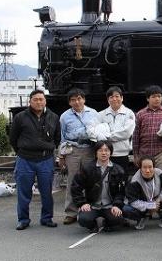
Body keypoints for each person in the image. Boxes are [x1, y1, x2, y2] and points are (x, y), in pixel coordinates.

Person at [9, 89, 60, 230]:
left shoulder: (53, 117)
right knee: (24, 192)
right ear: (30, 101)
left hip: (45, 160)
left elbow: (57, 138)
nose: (39, 102)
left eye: (41, 99)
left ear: (45, 101)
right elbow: (13, 138)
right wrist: (21, 151)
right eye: (35, 99)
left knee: (47, 192)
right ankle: (23, 219)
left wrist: (48, 149)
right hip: (25, 159)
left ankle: (47, 218)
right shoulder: (20, 117)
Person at [59, 88, 99, 225]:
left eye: (79, 98)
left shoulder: (94, 113)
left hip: (89, 149)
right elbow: (62, 138)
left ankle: (91, 209)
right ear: (69, 102)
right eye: (73, 100)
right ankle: (71, 212)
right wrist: (61, 157)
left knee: (91, 180)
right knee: (72, 180)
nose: (77, 102)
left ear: (84, 99)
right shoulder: (64, 117)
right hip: (73, 150)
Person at [71, 141, 126, 232]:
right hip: (92, 205)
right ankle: (93, 225)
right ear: (96, 153)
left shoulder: (118, 170)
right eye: (100, 150)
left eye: (106, 150)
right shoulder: (87, 168)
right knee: (84, 219)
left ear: (110, 152)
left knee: (118, 218)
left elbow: (121, 192)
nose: (103, 153)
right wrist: (82, 203)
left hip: (110, 205)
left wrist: (117, 205)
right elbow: (75, 187)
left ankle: (107, 223)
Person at [123, 156, 162, 229]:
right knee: (126, 209)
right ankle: (141, 218)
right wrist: (150, 205)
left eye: (150, 167)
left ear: (154, 167)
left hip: (158, 201)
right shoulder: (134, 181)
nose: (147, 170)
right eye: (144, 167)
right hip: (143, 204)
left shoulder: (160, 173)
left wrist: (159, 199)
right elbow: (132, 201)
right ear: (140, 168)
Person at [133, 85, 162, 175]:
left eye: (159, 96)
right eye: (153, 96)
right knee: (145, 178)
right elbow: (136, 136)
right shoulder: (140, 114)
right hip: (144, 153)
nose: (157, 99)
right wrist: (136, 155)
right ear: (148, 99)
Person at [94, 86, 136, 177]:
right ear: (108, 99)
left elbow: (126, 133)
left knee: (121, 181)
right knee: (105, 180)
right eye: (111, 97)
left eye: (117, 96)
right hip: (105, 154)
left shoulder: (129, 113)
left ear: (122, 98)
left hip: (122, 154)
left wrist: (107, 136)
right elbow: (96, 132)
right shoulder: (101, 114)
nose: (114, 99)